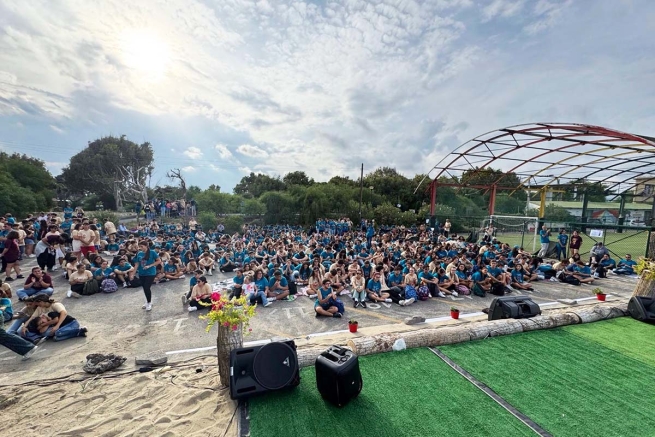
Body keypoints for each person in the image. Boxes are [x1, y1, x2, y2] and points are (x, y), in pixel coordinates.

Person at [133, 241, 162, 311]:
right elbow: (137, 264)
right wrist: (133, 273)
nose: (140, 248)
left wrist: (150, 265)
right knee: (144, 288)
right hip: (141, 273)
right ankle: (147, 301)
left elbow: (159, 261)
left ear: (146, 246)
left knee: (147, 287)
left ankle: (149, 302)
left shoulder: (152, 252)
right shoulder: (139, 253)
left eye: (142, 246)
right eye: (139, 247)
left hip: (150, 273)